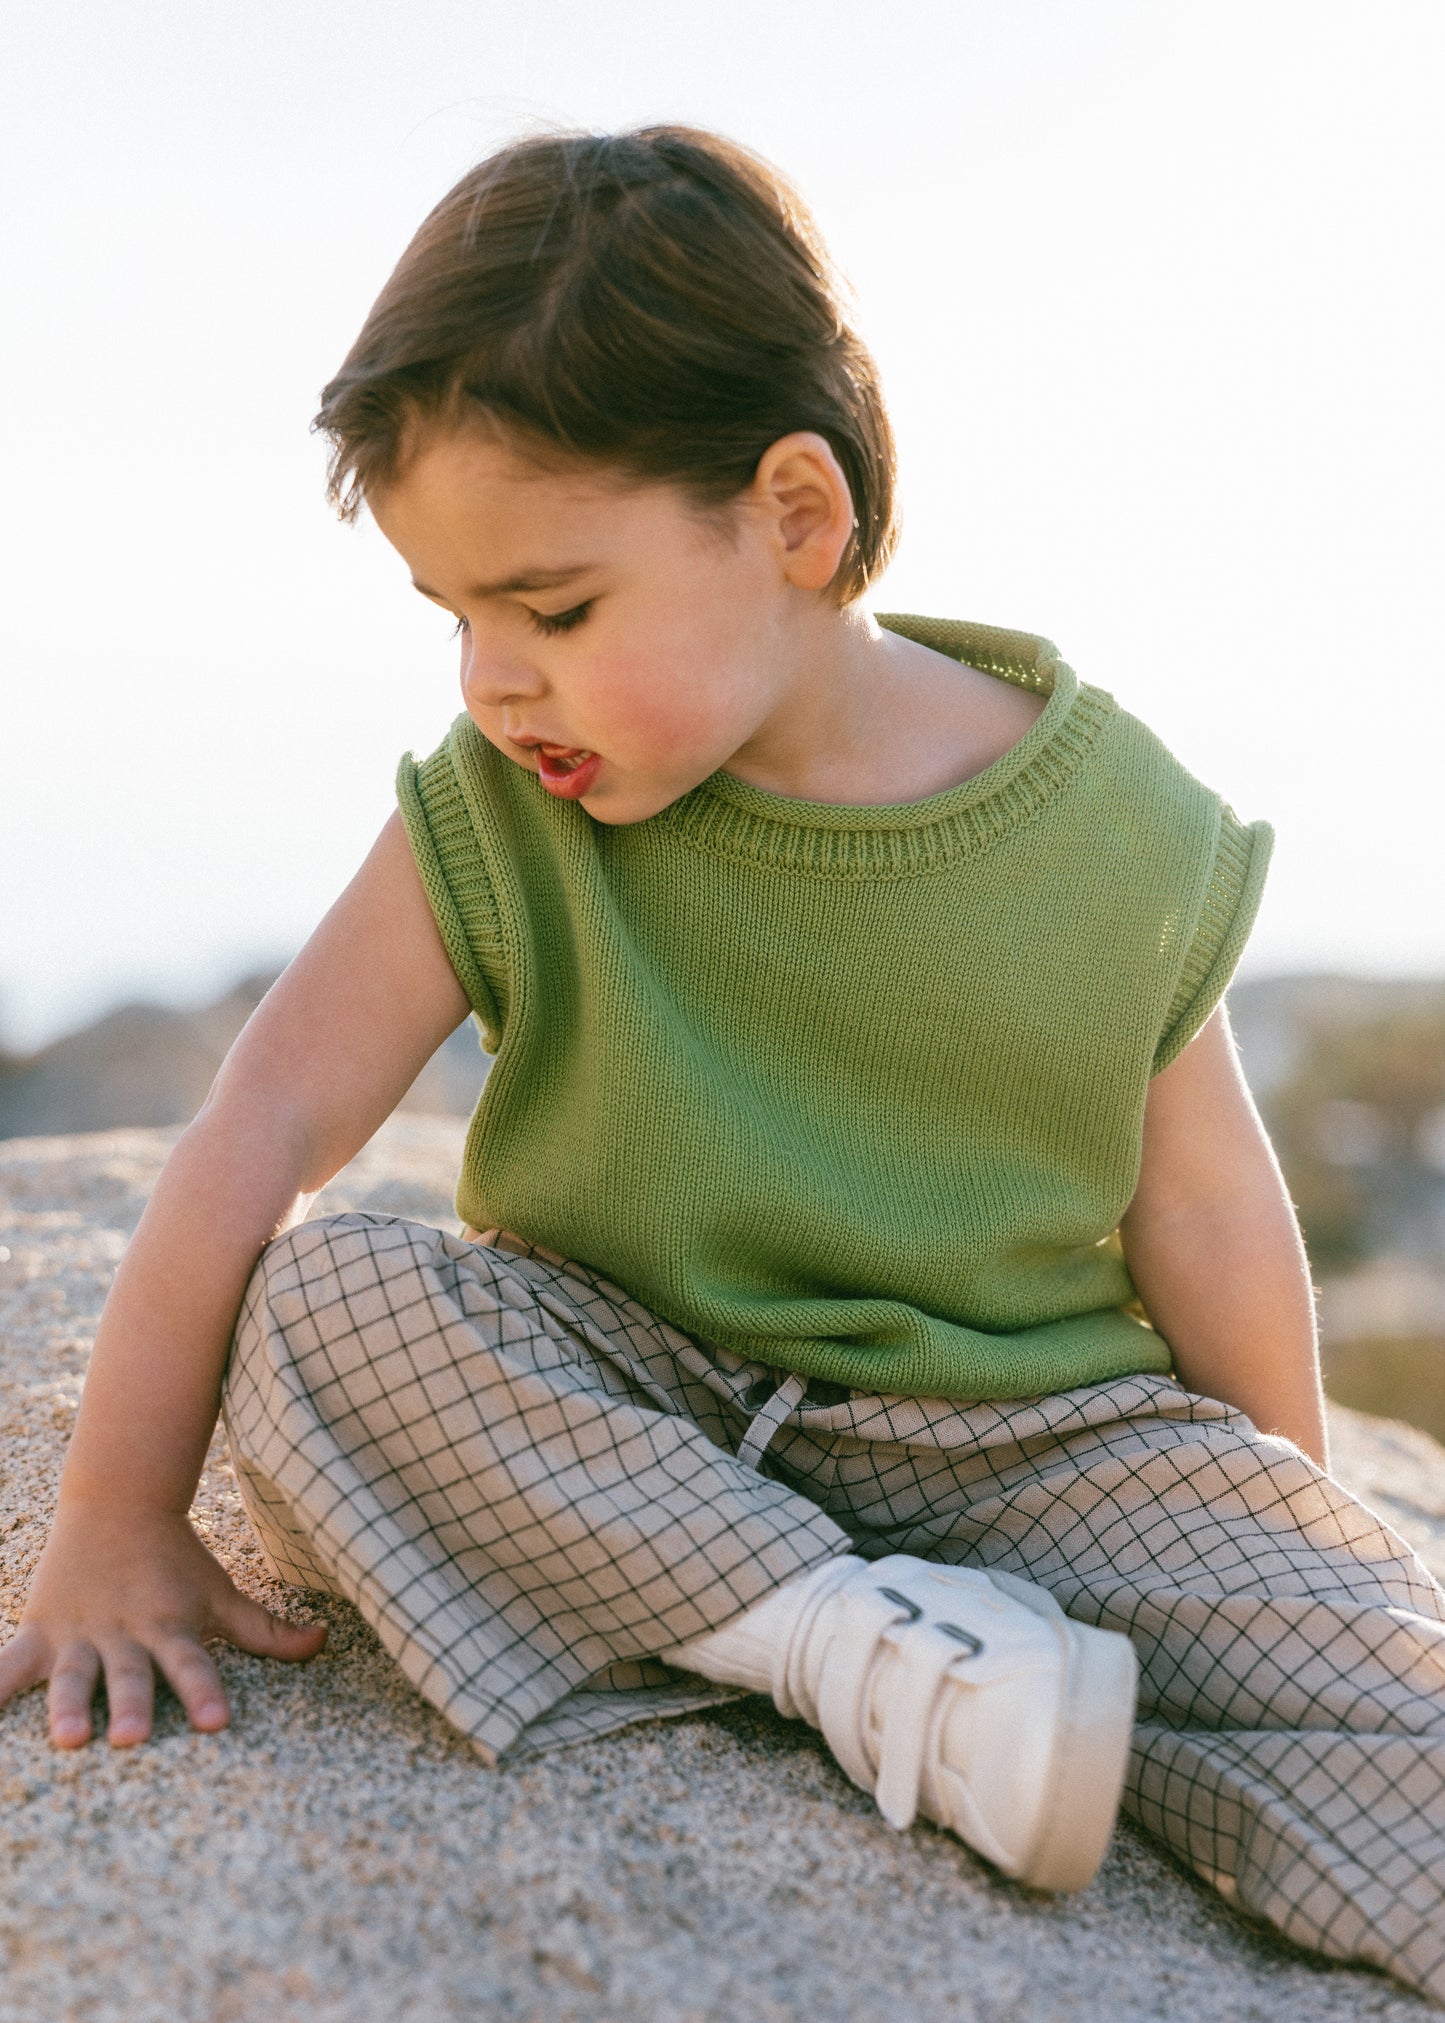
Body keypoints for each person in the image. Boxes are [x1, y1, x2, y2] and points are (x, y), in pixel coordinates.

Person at [3, 122, 1443, 1998]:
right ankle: (851, 1654)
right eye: (455, 619)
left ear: (795, 519)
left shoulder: (1116, 826)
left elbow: (1206, 1208)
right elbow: (264, 1119)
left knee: (1389, 1721)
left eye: (555, 608)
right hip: (639, 1401)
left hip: (1038, 1452)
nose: (491, 685)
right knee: (331, 1306)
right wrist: (114, 1519)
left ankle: (1012, 1697)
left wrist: (1269, 1528)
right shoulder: (501, 813)